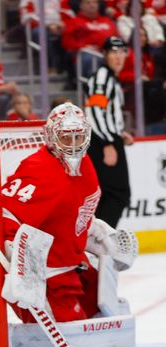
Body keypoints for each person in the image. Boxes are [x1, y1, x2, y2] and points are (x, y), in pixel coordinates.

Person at [0, 102, 110, 324]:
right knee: (75, 334)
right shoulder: (38, 168)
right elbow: (5, 214)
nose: (73, 145)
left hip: (74, 264)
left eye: (78, 137)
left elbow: (71, 208)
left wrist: (94, 229)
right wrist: (18, 255)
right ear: (51, 136)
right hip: (48, 276)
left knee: (102, 311)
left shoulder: (85, 163)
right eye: (65, 137)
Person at [85, 36, 133, 228]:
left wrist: (119, 132)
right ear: (104, 54)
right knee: (118, 193)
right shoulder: (102, 78)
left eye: (122, 51)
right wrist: (108, 142)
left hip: (109, 138)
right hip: (102, 141)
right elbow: (94, 112)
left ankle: (95, 244)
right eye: (113, 51)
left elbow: (105, 112)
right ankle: (100, 242)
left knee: (107, 194)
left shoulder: (109, 78)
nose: (119, 56)